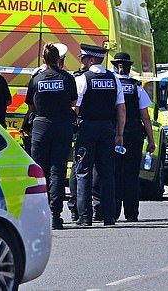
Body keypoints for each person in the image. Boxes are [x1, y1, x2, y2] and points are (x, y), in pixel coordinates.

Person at [25, 43, 77, 230]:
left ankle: (40, 214)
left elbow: (30, 105)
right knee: (58, 171)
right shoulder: (67, 78)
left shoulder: (37, 79)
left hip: (41, 126)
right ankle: (55, 215)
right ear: (58, 59)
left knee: (40, 172)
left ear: (43, 60)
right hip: (62, 126)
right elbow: (73, 102)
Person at [73, 43, 125, 226]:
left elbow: (76, 107)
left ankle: (85, 216)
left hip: (87, 127)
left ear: (91, 59)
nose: (82, 61)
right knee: (107, 173)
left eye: (84, 58)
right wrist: (119, 133)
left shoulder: (83, 79)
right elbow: (121, 108)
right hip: (107, 129)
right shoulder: (114, 79)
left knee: (83, 172)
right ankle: (109, 216)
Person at [111, 52, 156, 222]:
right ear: (129, 69)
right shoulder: (137, 87)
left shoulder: (112, 85)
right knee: (131, 175)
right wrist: (151, 140)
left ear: (115, 67)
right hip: (134, 134)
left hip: (114, 134)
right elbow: (145, 116)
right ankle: (131, 213)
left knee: (114, 173)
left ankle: (112, 212)